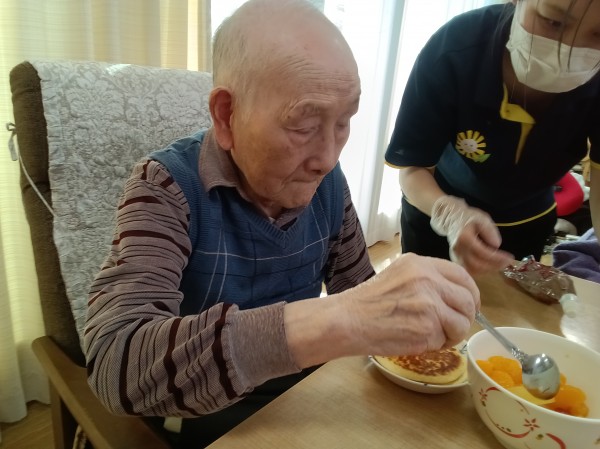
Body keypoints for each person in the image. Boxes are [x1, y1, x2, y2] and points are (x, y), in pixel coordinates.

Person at [84, 0, 479, 447]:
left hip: (305, 394)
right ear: (226, 116)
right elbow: (115, 364)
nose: (327, 157)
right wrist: (342, 318)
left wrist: (397, 308)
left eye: (344, 123)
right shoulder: (166, 187)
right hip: (206, 416)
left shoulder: (327, 183)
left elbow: (358, 291)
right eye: (305, 126)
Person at [385, 0, 600, 275]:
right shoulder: (455, 48)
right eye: (553, 23)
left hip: (527, 223)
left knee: (509, 301)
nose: (568, 52)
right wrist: (449, 214)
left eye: (598, 35)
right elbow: (412, 168)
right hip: (435, 211)